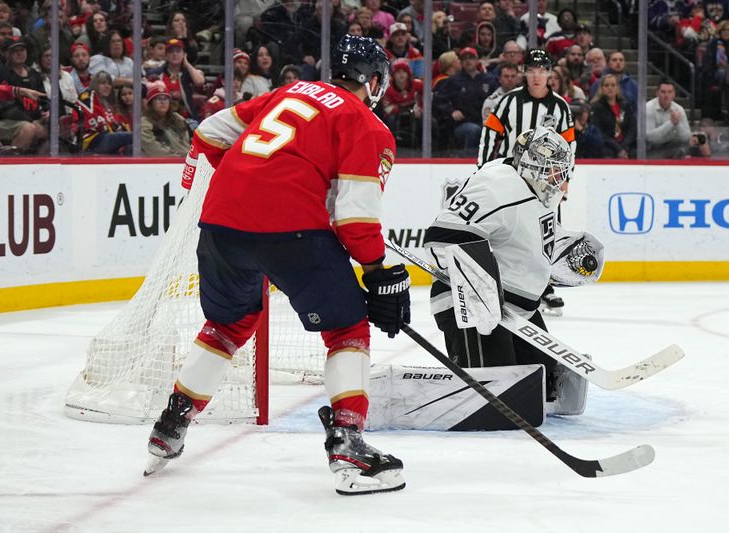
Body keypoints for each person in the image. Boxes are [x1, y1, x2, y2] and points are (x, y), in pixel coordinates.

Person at [143, 35, 411, 496]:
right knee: (347, 330)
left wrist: (244, 182)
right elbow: (355, 217)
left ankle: (171, 424)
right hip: (292, 232)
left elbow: (208, 132)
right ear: (374, 81)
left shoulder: (287, 92)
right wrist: (380, 273)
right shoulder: (365, 123)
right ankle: (348, 444)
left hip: (220, 224)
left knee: (230, 323)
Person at [422, 125, 596, 413]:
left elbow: (524, 243)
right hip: (471, 309)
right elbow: (442, 237)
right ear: (531, 163)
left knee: (545, 386)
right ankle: (458, 375)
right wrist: (480, 296)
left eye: (561, 171)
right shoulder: (498, 185)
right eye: (552, 169)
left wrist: (564, 255)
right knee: (499, 399)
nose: (558, 179)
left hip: (516, 313)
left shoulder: (536, 193)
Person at [478, 49, 574, 316]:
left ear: (549, 74)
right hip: (512, 178)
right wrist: (482, 168)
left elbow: (570, 144)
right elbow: (490, 133)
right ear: (525, 73)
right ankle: (508, 283)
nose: (536, 76)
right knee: (512, 230)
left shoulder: (560, 106)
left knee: (547, 231)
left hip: (547, 182)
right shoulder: (509, 102)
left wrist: (566, 178)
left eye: (541, 70)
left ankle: (546, 286)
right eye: (531, 70)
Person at [590, 73, 636, 159]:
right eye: (606, 85)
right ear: (601, 88)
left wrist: (623, 147)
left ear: (617, 88)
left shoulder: (625, 105)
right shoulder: (596, 107)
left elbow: (632, 128)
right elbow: (600, 132)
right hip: (607, 147)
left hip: (625, 146)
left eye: (613, 85)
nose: (610, 88)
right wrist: (618, 148)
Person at [139, 83, 191, 157]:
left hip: (187, 158)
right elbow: (152, 148)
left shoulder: (178, 118)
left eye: (165, 99)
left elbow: (191, 140)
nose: (163, 102)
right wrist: (177, 157)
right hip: (163, 162)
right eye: (158, 99)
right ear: (151, 103)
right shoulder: (145, 122)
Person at [645, 80, 691, 159]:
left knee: (685, 146)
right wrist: (671, 123)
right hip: (651, 148)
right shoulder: (648, 108)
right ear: (657, 93)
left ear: (674, 94)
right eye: (663, 92)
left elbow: (686, 137)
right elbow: (649, 137)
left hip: (671, 145)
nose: (666, 95)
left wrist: (677, 124)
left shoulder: (679, 109)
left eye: (670, 92)